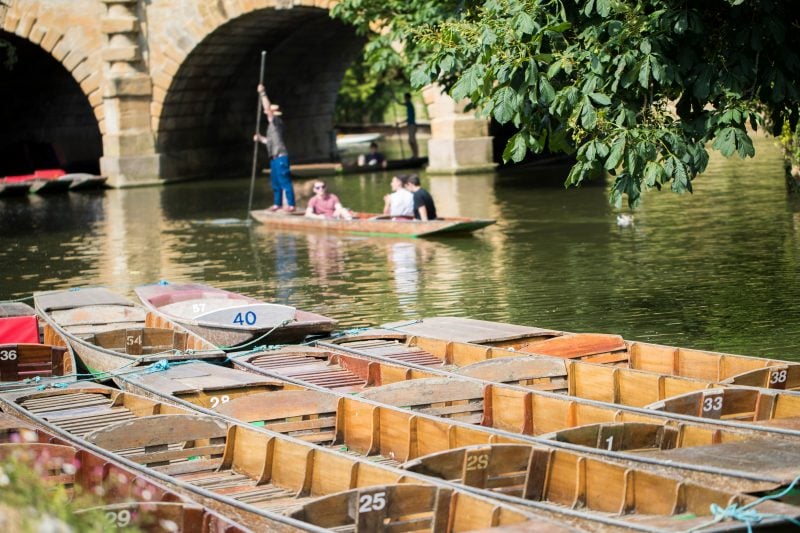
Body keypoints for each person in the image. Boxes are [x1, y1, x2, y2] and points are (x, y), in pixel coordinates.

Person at [254, 83, 295, 212]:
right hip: (273, 158)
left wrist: (262, 93)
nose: (266, 113)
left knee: (285, 181)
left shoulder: (276, 121)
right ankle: (277, 204)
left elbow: (267, 107)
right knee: (275, 182)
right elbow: (270, 142)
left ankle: (291, 205)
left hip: (281, 157)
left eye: (268, 112)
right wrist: (260, 138)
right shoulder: (271, 127)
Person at [395, 93, 419, 159]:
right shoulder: (408, 105)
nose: (404, 99)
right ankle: (415, 155)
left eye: (405, 98)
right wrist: (396, 100)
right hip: (410, 125)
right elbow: (400, 103)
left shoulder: (409, 105)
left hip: (412, 125)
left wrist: (400, 123)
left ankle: (416, 156)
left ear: (408, 98)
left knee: (412, 141)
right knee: (410, 141)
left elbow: (409, 119)